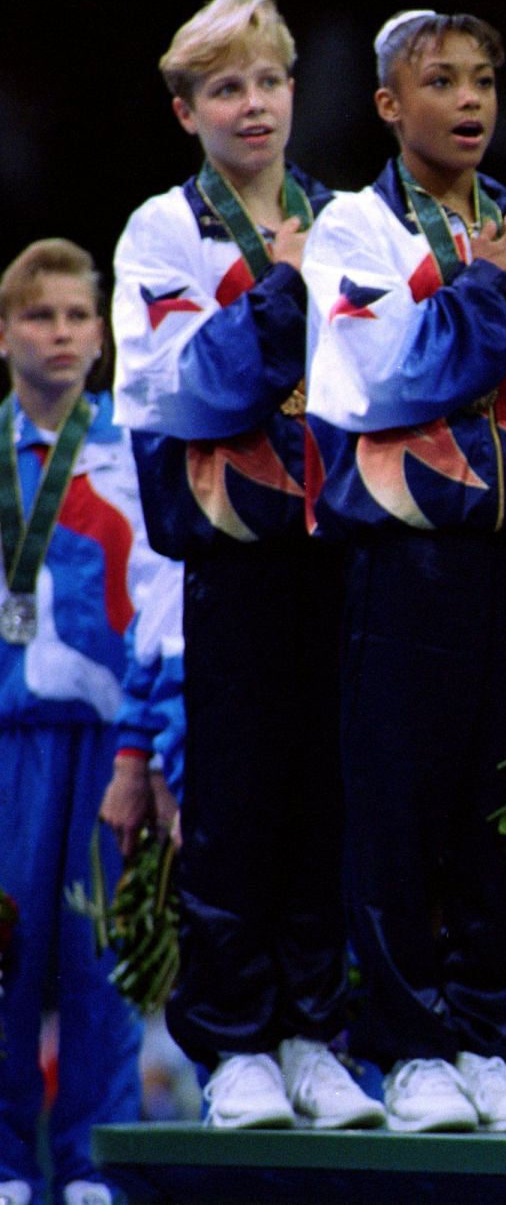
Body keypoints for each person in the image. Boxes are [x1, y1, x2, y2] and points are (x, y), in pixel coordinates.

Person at [110, 0, 378, 1133]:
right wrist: (281, 285)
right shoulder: (163, 231)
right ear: (187, 113)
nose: (254, 104)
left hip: (341, 536)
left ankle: (314, 1029)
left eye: (268, 81)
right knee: (236, 801)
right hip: (231, 547)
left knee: (330, 793)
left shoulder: (347, 215)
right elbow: (185, 389)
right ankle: (232, 1045)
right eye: (226, 88)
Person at [303, 9, 506, 1135]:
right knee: (403, 803)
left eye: (482, 81)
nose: (469, 102)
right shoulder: (353, 236)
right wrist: (484, 290)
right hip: (409, 555)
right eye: (439, 82)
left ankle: (491, 1042)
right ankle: (407, 1046)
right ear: (386, 105)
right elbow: (383, 384)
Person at [0, 239, 182, 1205]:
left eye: (78, 316)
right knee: (3, 962)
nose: (62, 333)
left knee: (102, 956)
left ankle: (93, 1164)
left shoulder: (132, 452)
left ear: (104, 335)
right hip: (6, 744)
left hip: (109, 746)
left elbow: (163, 607)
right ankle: (4, 1162)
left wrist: (151, 747)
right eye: (41, 317)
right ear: (3, 335)